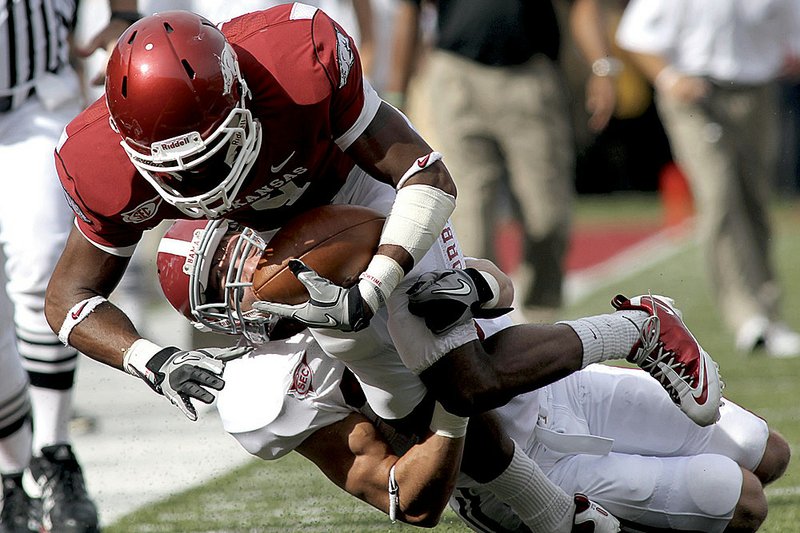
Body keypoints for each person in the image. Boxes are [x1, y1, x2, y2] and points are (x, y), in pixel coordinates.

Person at [46, 5, 720, 443]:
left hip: (356, 198)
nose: (204, 179)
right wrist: (152, 358)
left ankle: (639, 326)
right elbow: (69, 296)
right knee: (391, 417)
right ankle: (476, 295)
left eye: (217, 149)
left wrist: (376, 281)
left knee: (467, 382)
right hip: (255, 243)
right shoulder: (96, 159)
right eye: (181, 169)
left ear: (243, 98)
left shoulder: (294, 62)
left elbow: (427, 173)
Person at [155, 218, 789, 532]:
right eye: (224, 273)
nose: (249, 263)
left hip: (554, 386)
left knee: (769, 453)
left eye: (240, 243)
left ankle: (640, 334)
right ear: (219, 312)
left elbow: (498, 286)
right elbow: (407, 498)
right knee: (738, 499)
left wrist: (472, 286)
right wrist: (452, 404)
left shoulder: (332, 241)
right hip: (517, 464)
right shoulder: (268, 391)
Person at [384, 0, 620, 322]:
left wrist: (601, 66)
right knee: (469, 216)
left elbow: (582, 4)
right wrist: (397, 95)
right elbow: (410, 9)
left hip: (529, 77)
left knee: (547, 217)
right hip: (456, 75)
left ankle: (541, 317)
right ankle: (485, 324)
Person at [0, 1, 138, 531]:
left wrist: (124, 13)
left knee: (41, 269)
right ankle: (14, 478)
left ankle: (54, 452)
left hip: (32, 103)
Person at [615, 0, 800, 358]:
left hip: (755, 92)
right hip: (694, 94)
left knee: (755, 202)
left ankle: (768, 309)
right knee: (718, 197)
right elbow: (634, 34)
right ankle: (747, 318)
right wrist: (669, 77)